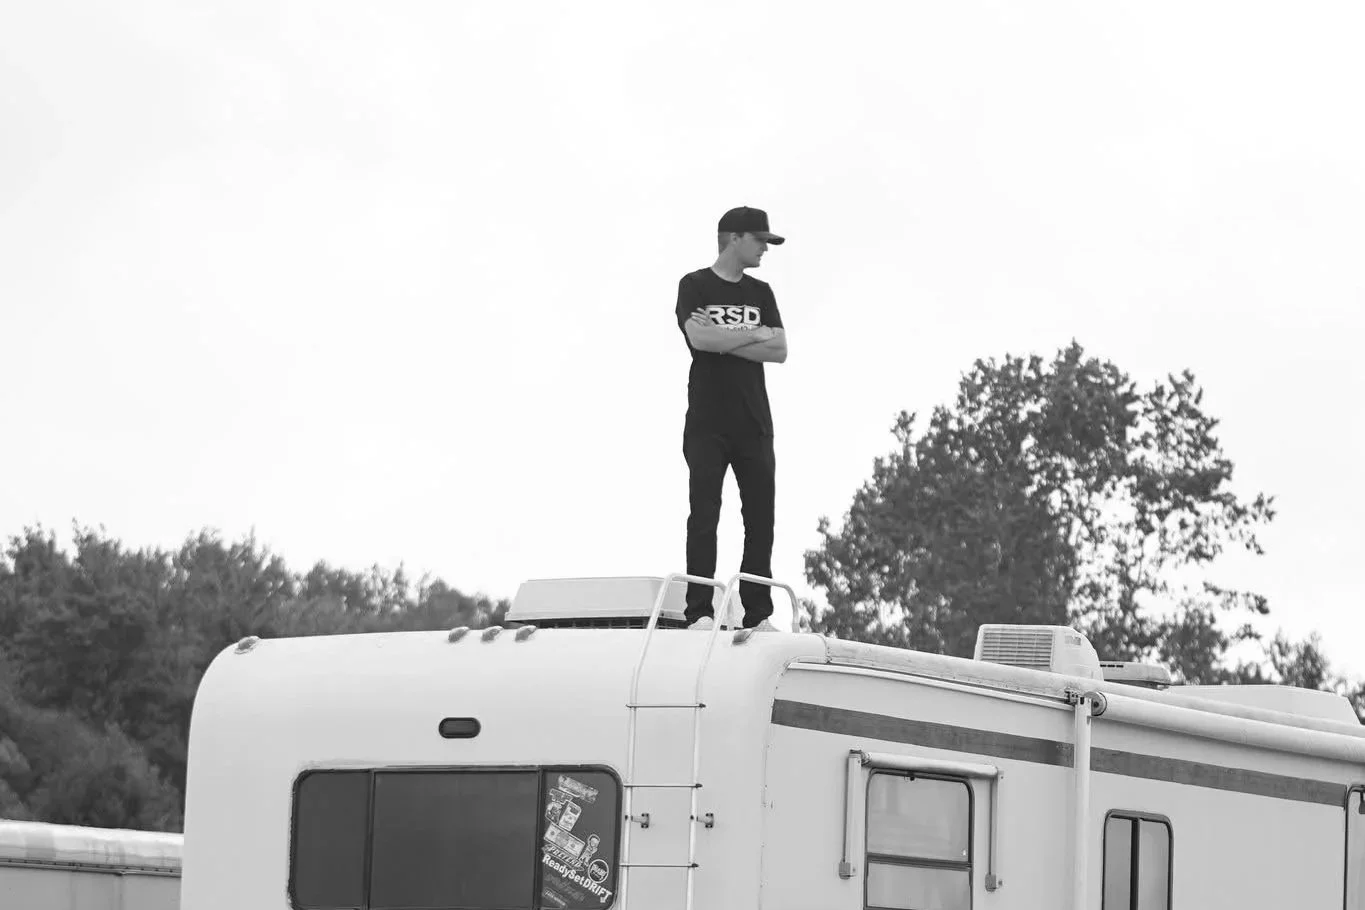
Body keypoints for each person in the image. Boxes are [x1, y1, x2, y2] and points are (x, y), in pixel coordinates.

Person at [674, 206, 788, 631]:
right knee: (704, 515)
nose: (764, 249)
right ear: (734, 238)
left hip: (754, 422)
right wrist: (752, 335)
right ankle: (699, 612)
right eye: (759, 240)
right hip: (707, 422)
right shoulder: (695, 285)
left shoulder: (761, 292)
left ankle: (757, 615)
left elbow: (779, 350)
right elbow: (698, 337)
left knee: (761, 519)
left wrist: (724, 341)